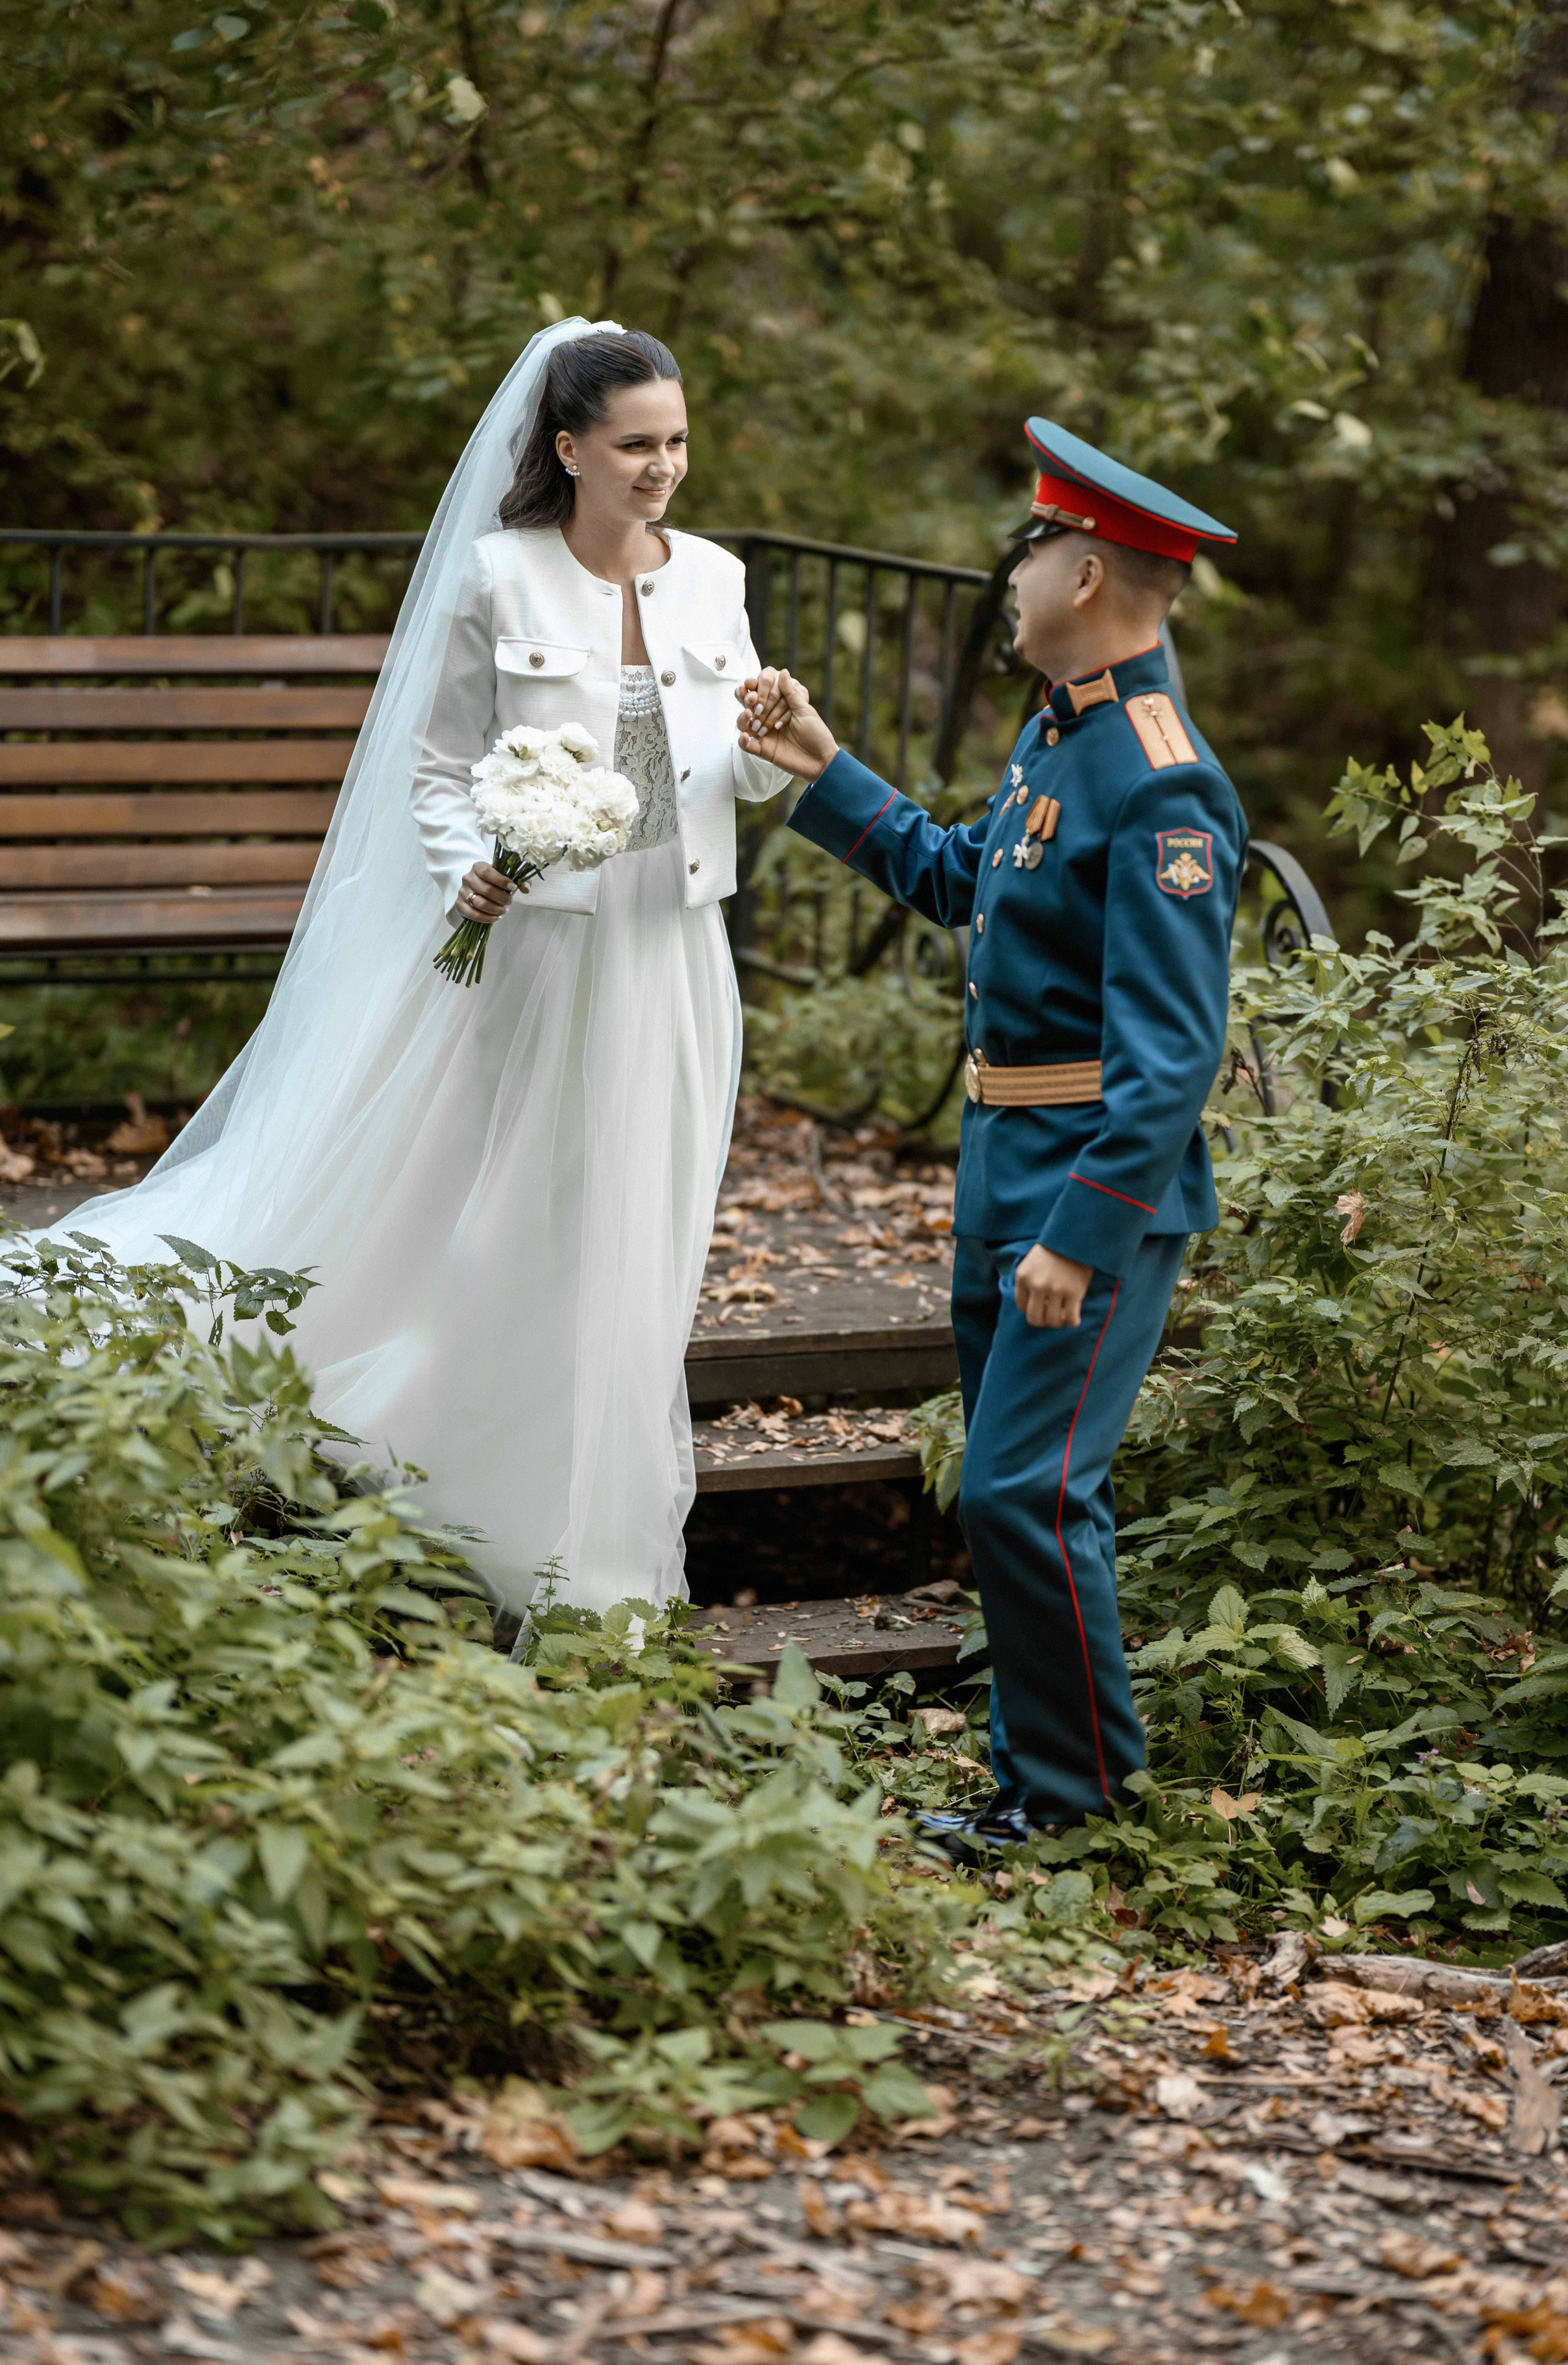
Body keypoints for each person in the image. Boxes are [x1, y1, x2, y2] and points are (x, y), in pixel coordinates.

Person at [45, 319, 790, 1615]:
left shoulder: (716, 579)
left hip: (672, 946)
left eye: (675, 441)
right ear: (568, 449)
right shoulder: (496, 579)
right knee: (523, 1197)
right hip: (544, 954)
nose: (662, 467)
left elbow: (729, 772)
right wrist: (471, 867)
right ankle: (472, 1457)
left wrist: (781, 751)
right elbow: (438, 768)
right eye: (634, 446)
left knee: (640, 1200)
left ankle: (590, 1459)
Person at [737, 418, 1247, 1860]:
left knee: (1032, 1489)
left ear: (1082, 570)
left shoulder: (1158, 778)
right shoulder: (1062, 732)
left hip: (1087, 1190)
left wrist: (1080, 1238)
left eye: (1029, 548)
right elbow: (966, 879)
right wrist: (820, 764)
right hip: (1001, 1165)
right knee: (1007, 1487)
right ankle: (1034, 1783)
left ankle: (1071, 1807)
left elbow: (1173, 1055)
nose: (1010, 570)